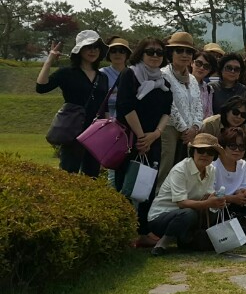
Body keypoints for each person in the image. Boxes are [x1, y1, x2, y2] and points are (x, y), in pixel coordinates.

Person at [115, 37, 173, 247]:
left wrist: (155, 134)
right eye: (150, 51)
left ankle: (143, 230)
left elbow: (167, 111)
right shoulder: (129, 74)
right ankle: (125, 230)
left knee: (148, 185)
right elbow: (125, 106)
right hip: (131, 139)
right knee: (125, 184)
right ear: (141, 53)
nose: (155, 56)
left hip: (153, 140)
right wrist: (141, 137)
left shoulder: (164, 82)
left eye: (159, 52)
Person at [36, 30, 110, 176]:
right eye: (88, 47)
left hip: (95, 131)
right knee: (69, 172)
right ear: (79, 50)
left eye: (96, 47)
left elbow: (104, 104)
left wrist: (106, 129)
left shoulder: (102, 77)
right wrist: (50, 59)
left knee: (92, 175)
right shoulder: (67, 73)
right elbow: (41, 87)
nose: (93, 51)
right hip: (73, 129)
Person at [147, 133, 226, 256]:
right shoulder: (180, 169)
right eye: (201, 150)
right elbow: (182, 203)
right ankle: (162, 243)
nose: (205, 155)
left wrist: (216, 200)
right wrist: (208, 203)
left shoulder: (211, 170)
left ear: (214, 156)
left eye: (210, 152)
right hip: (161, 218)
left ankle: (189, 240)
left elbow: (206, 196)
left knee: (213, 211)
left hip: (187, 213)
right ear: (193, 152)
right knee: (189, 213)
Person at [159, 32, 205, 187]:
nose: (184, 55)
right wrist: (184, 129)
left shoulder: (192, 79)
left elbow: (198, 105)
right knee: (166, 168)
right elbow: (169, 105)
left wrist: (195, 127)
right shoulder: (163, 75)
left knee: (184, 171)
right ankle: (159, 199)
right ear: (171, 53)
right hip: (169, 129)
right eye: (179, 50)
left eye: (189, 52)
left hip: (190, 133)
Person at [212, 128, 246, 217]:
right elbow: (208, 195)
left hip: (235, 207)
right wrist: (232, 199)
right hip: (215, 208)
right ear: (223, 146)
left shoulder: (242, 164)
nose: (237, 150)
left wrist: (243, 194)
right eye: (232, 146)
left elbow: (242, 187)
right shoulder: (213, 165)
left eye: (241, 147)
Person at [101, 36, 131, 117]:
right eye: (113, 50)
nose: (117, 54)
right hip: (109, 120)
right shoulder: (102, 74)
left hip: (131, 120)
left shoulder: (134, 73)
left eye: (122, 51)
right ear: (108, 54)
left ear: (127, 54)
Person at [192, 50, 218, 118]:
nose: (201, 68)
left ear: (210, 70)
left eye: (206, 66)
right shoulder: (180, 83)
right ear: (192, 63)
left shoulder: (208, 89)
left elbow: (209, 114)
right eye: (198, 63)